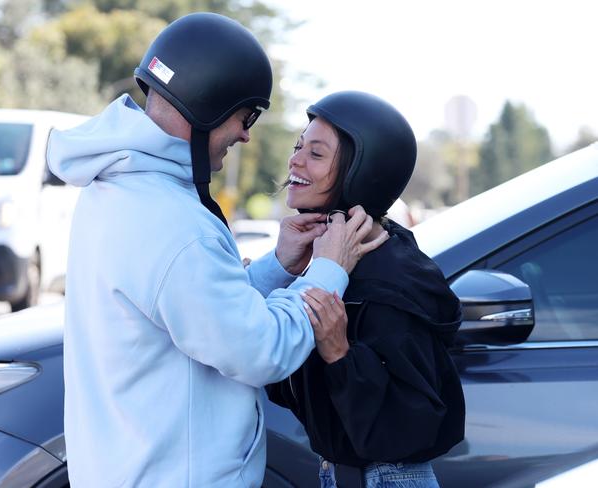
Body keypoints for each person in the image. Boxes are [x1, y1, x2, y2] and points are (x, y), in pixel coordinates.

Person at [46, 13, 387, 488]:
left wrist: (277, 266)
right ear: (208, 103)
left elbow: (190, 313)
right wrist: (328, 269)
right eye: (246, 117)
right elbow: (261, 348)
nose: (246, 135)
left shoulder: (115, 189)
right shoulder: (177, 224)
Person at [266, 91, 465, 488]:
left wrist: (340, 354)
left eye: (316, 154)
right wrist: (272, 279)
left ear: (363, 171)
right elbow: (289, 387)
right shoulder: (332, 265)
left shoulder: (391, 280)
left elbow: (408, 427)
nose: (295, 160)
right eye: (298, 146)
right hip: (340, 474)